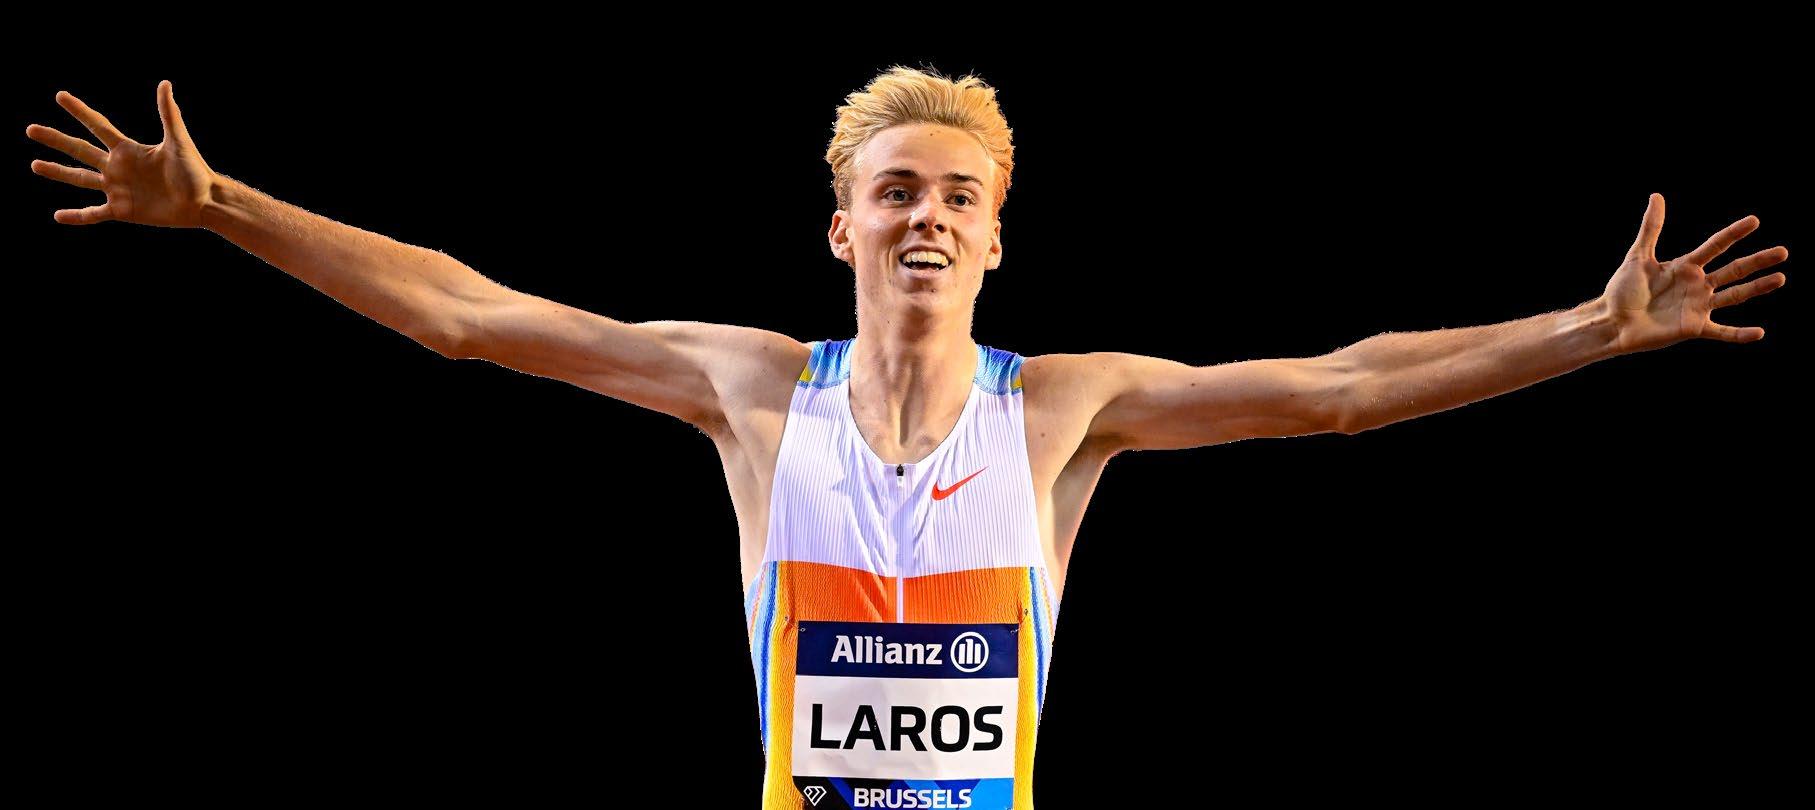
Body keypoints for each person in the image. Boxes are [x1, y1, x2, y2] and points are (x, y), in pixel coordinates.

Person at [27, 65, 1790, 809]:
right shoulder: (748, 386)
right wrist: (227, 205)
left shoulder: (1067, 405)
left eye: (959, 194)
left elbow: (1340, 383)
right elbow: (467, 313)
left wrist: (1585, 328)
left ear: (997, 235)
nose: (927, 215)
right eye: (896, 191)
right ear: (843, 227)